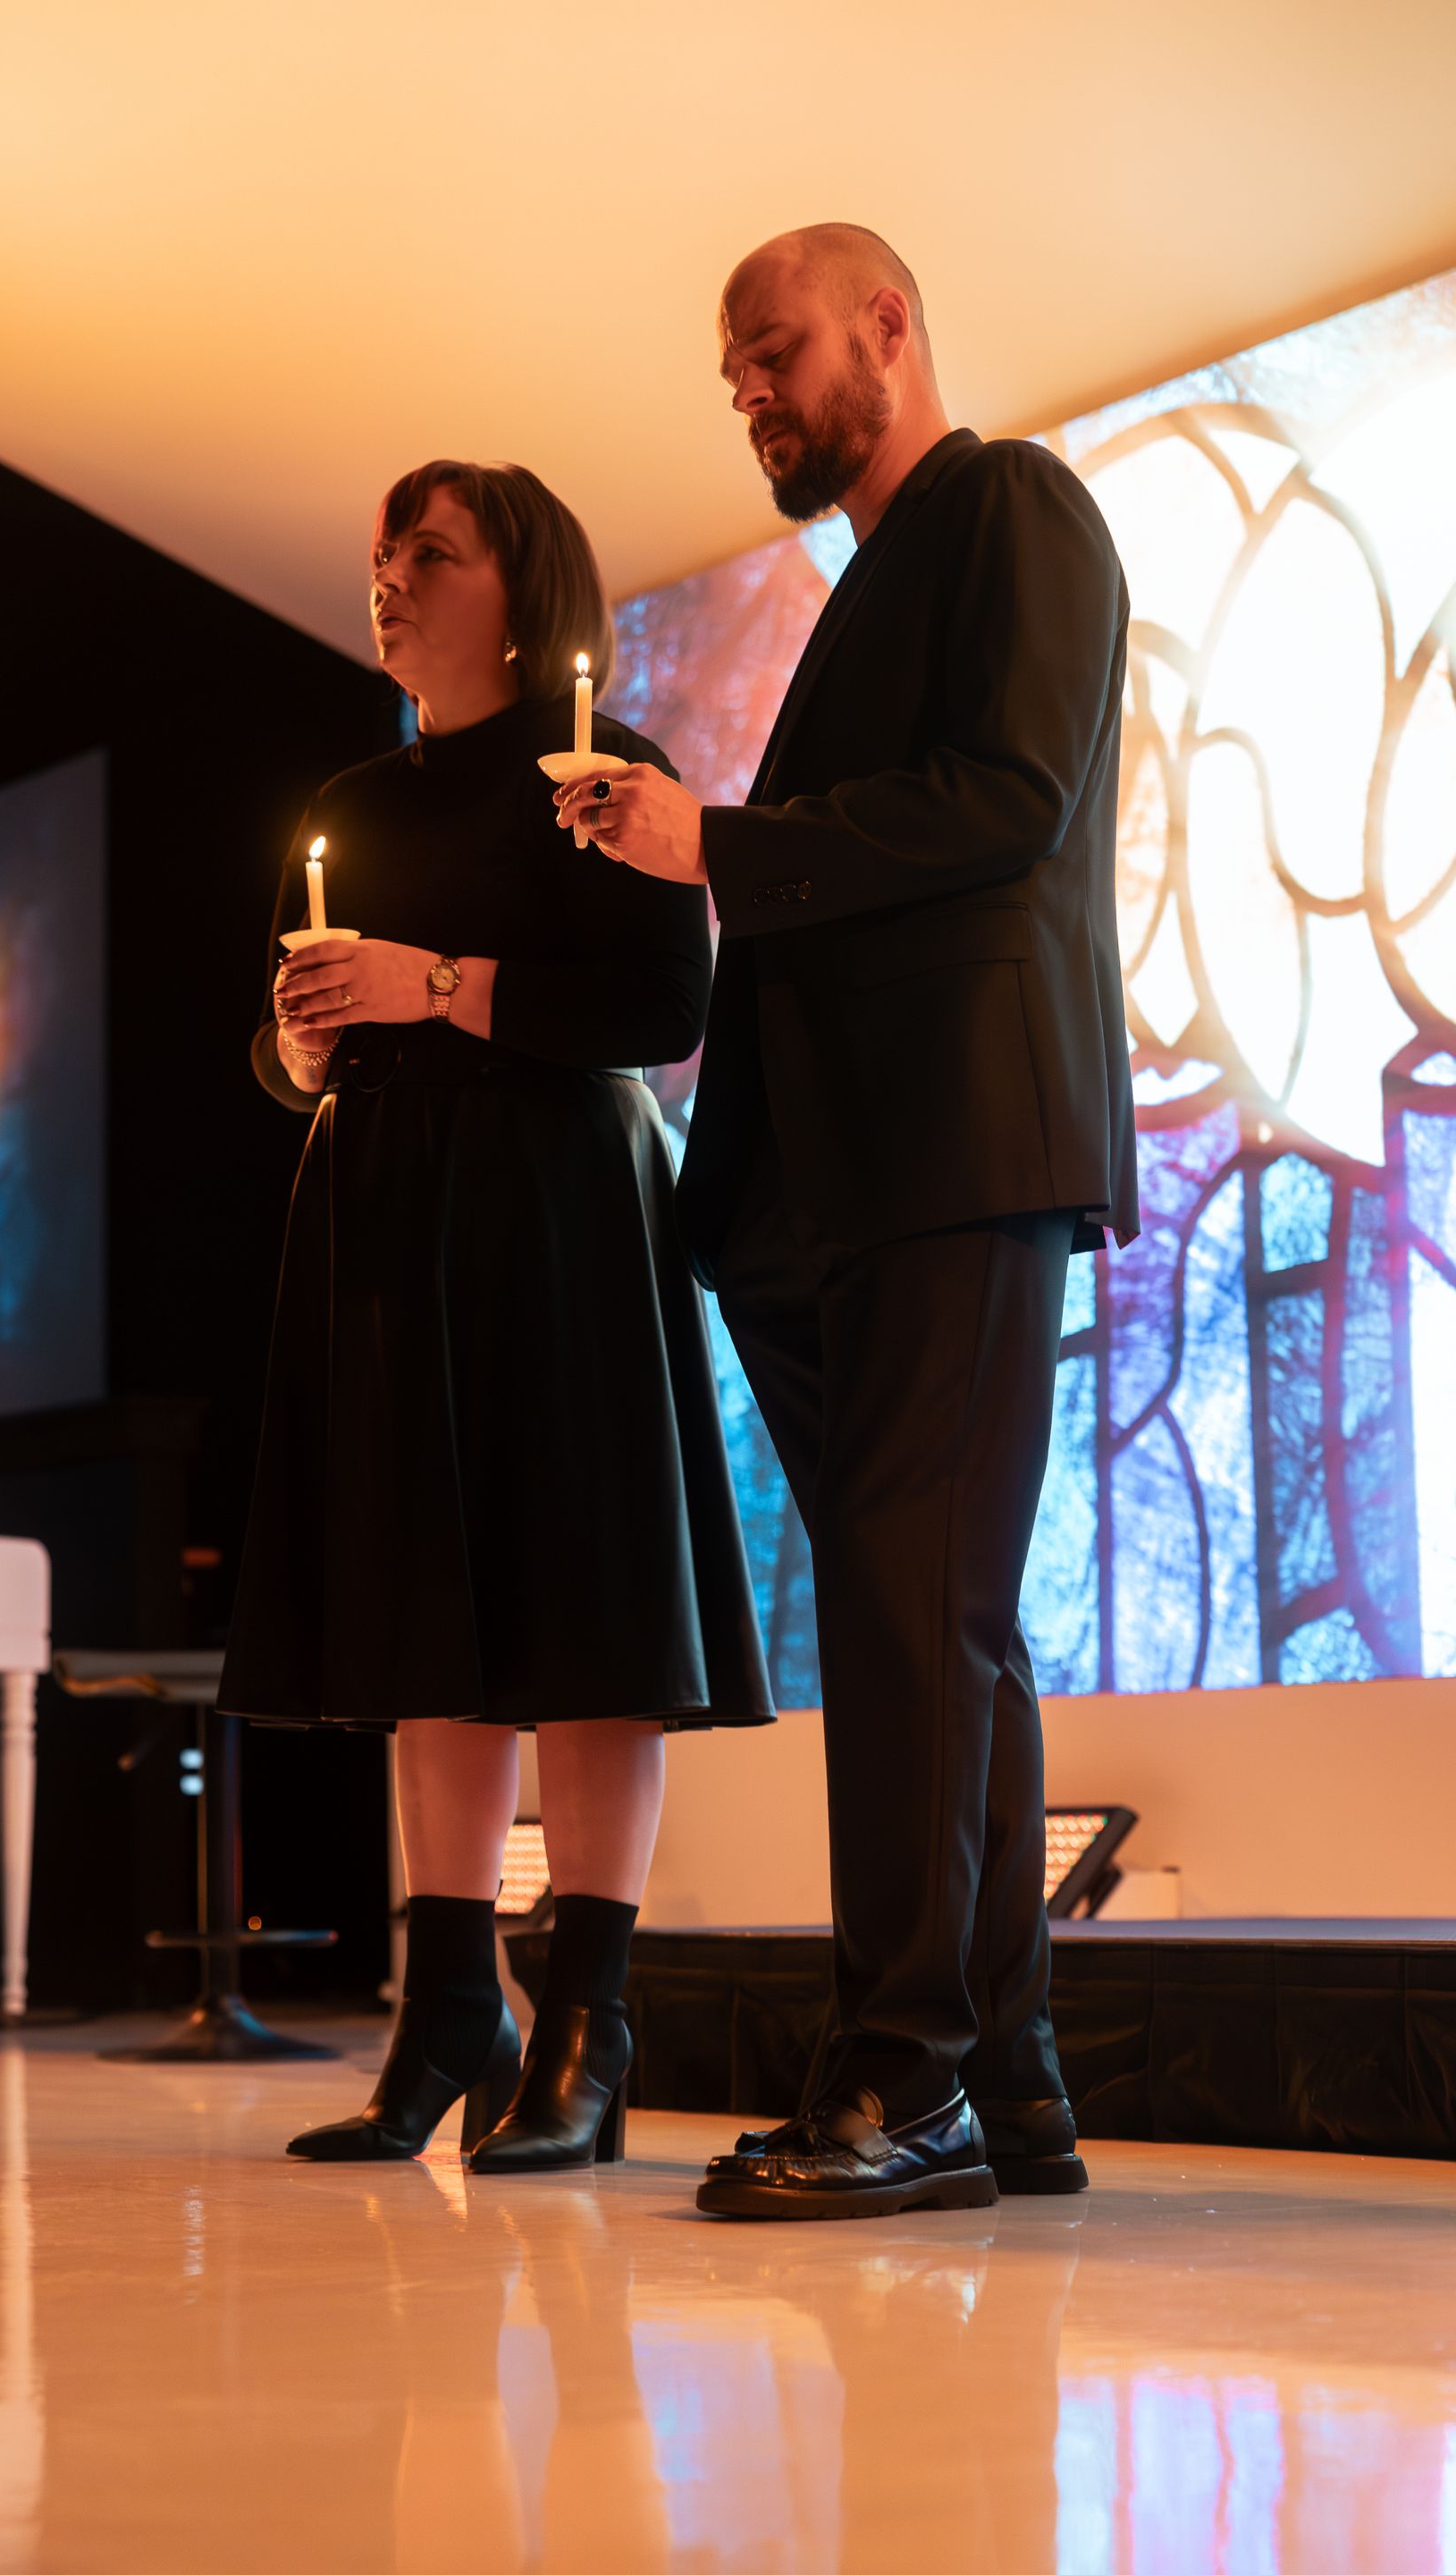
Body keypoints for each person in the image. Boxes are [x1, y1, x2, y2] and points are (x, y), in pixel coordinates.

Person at [556, 224, 1138, 2219]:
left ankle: (903, 2081)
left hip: (961, 1157)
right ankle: (1010, 2078)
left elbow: (1009, 798)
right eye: (734, 369)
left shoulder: (1015, 508)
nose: (750, 390)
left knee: (915, 1622)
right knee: (936, 1623)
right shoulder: (874, 586)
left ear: (890, 326)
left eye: (775, 349)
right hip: (839, 1197)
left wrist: (714, 842)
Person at [219, 459, 772, 2174]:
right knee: (424, 1605)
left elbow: (664, 1004)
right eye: (381, 551)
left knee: (589, 1603)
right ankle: (450, 2001)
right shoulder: (351, 800)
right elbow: (293, 1048)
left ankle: (591, 2020)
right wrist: (300, 1043)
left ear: (520, 591)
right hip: (389, 1223)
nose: (388, 578)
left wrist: (436, 987)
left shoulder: (605, 778)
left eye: (429, 552)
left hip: (562, 1214)